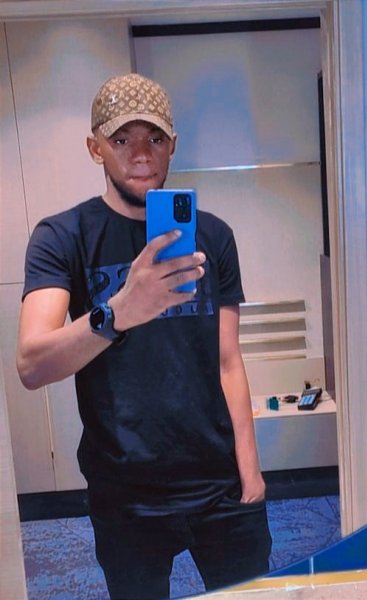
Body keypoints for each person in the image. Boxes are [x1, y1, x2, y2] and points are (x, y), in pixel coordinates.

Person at [16, 73, 272, 600]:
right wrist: (118, 312)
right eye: (121, 138)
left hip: (219, 484)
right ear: (95, 148)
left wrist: (250, 471)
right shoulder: (62, 237)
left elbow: (228, 361)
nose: (140, 154)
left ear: (172, 144)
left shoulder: (213, 236)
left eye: (154, 137)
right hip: (125, 494)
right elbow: (32, 365)